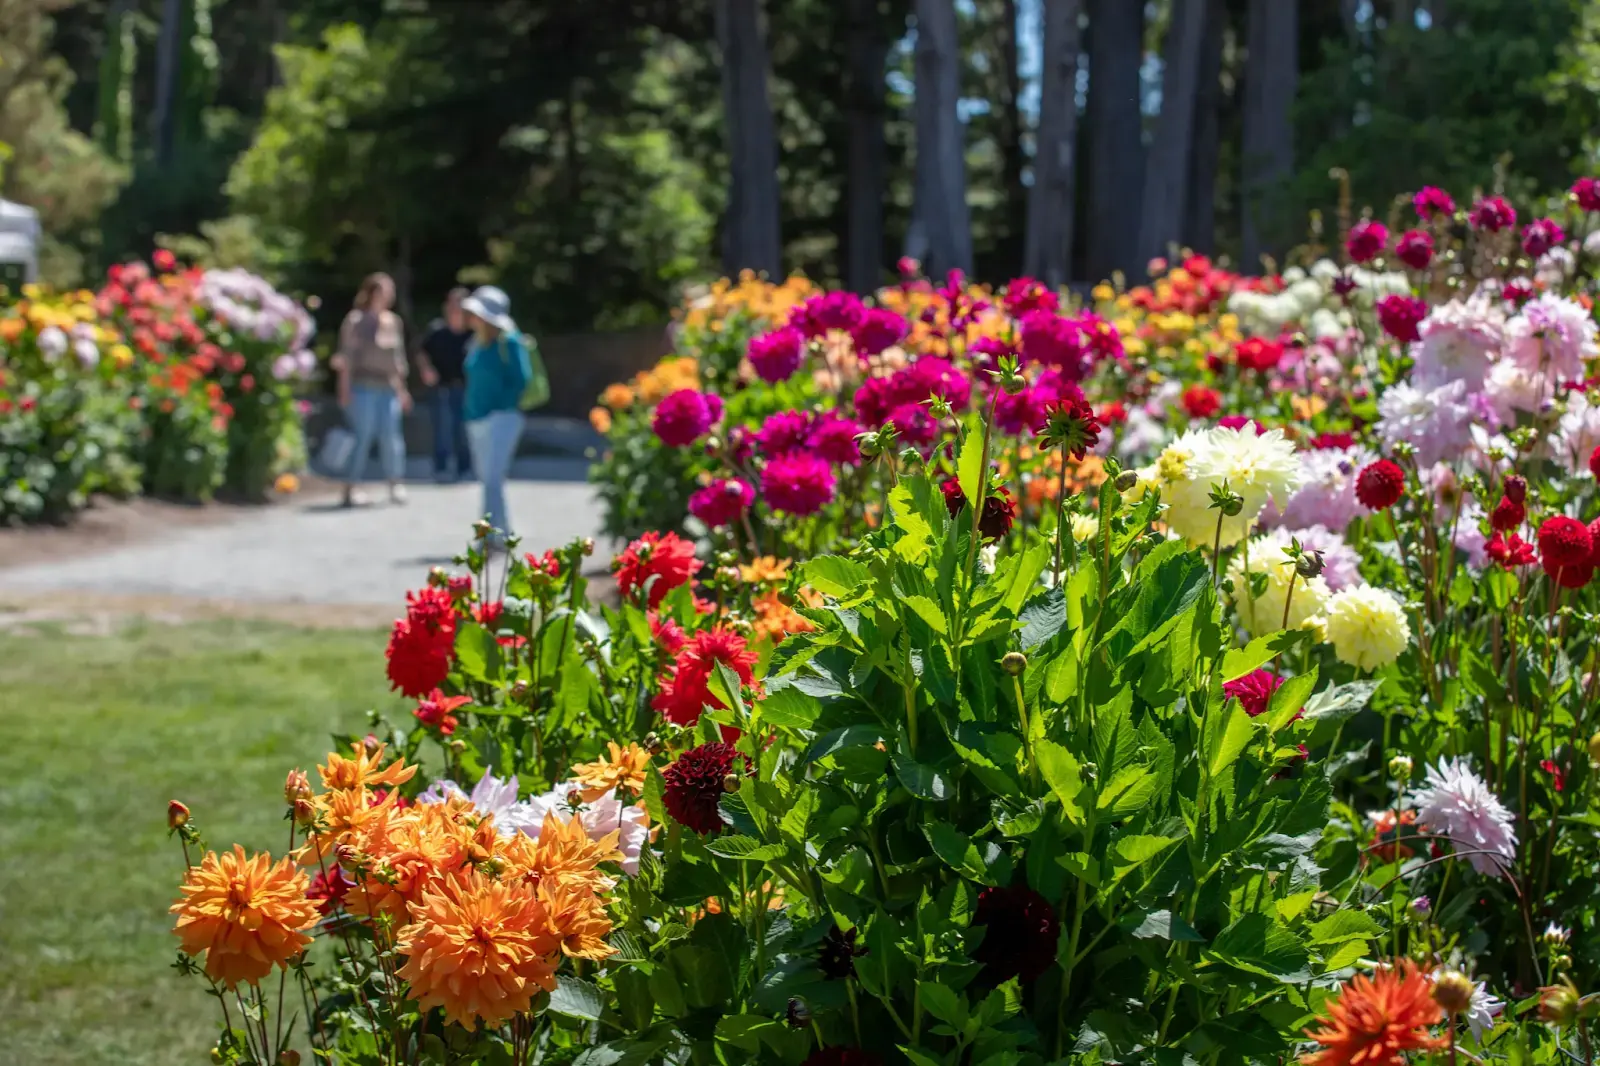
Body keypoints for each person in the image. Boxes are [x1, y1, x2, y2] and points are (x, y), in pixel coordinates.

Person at [332, 272, 411, 507]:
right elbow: (346, 358)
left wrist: (403, 390)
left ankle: (395, 482)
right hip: (362, 386)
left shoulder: (393, 321)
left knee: (391, 437)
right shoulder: (355, 321)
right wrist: (344, 389)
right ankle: (351, 485)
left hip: (387, 387)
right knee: (362, 436)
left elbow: (398, 360)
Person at [461, 285, 531, 545]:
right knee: (489, 480)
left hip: (502, 418)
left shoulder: (510, 341)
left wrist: (499, 406)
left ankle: (490, 536)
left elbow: (521, 379)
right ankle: (499, 533)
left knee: (492, 479)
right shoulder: (475, 343)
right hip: (476, 417)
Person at [416, 287, 473, 482]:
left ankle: (464, 468)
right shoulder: (437, 330)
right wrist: (427, 369)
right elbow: (422, 352)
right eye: (452, 304)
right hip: (441, 388)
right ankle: (440, 467)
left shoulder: (473, 334)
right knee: (442, 429)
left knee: (463, 430)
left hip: (466, 388)